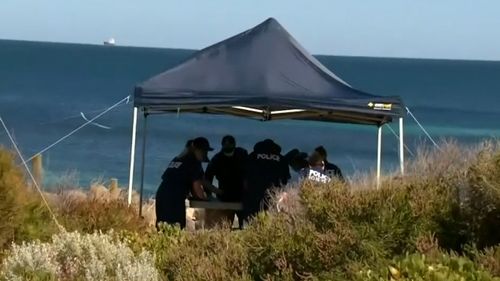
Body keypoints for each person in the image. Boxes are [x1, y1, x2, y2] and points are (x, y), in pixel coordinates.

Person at [155, 137, 219, 229]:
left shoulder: (179, 159)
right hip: (174, 199)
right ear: (198, 150)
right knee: (176, 227)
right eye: (204, 151)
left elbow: (203, 180)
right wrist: (205, 199)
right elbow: (197, 186)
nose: (205, 153)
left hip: (162, 195)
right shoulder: (193, 162)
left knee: (162, 227)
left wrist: (218, 191)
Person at [242, 139, 290, 225]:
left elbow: (244, 178)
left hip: (254, 195)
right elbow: (285, 181)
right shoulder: (282, 159)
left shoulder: (252, 156)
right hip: (273, 196)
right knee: (271, 223)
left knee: (253, 222)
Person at [205, 135, 248, 227]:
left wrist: (211, 194)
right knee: (226, 224)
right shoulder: (217, 159)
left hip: (239, 195)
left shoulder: (241, 155)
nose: (227, 146)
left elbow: (207, 178)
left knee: (241, 223)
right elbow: (207, 178)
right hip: (226, 195)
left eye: (229, 144)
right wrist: (211, 194)